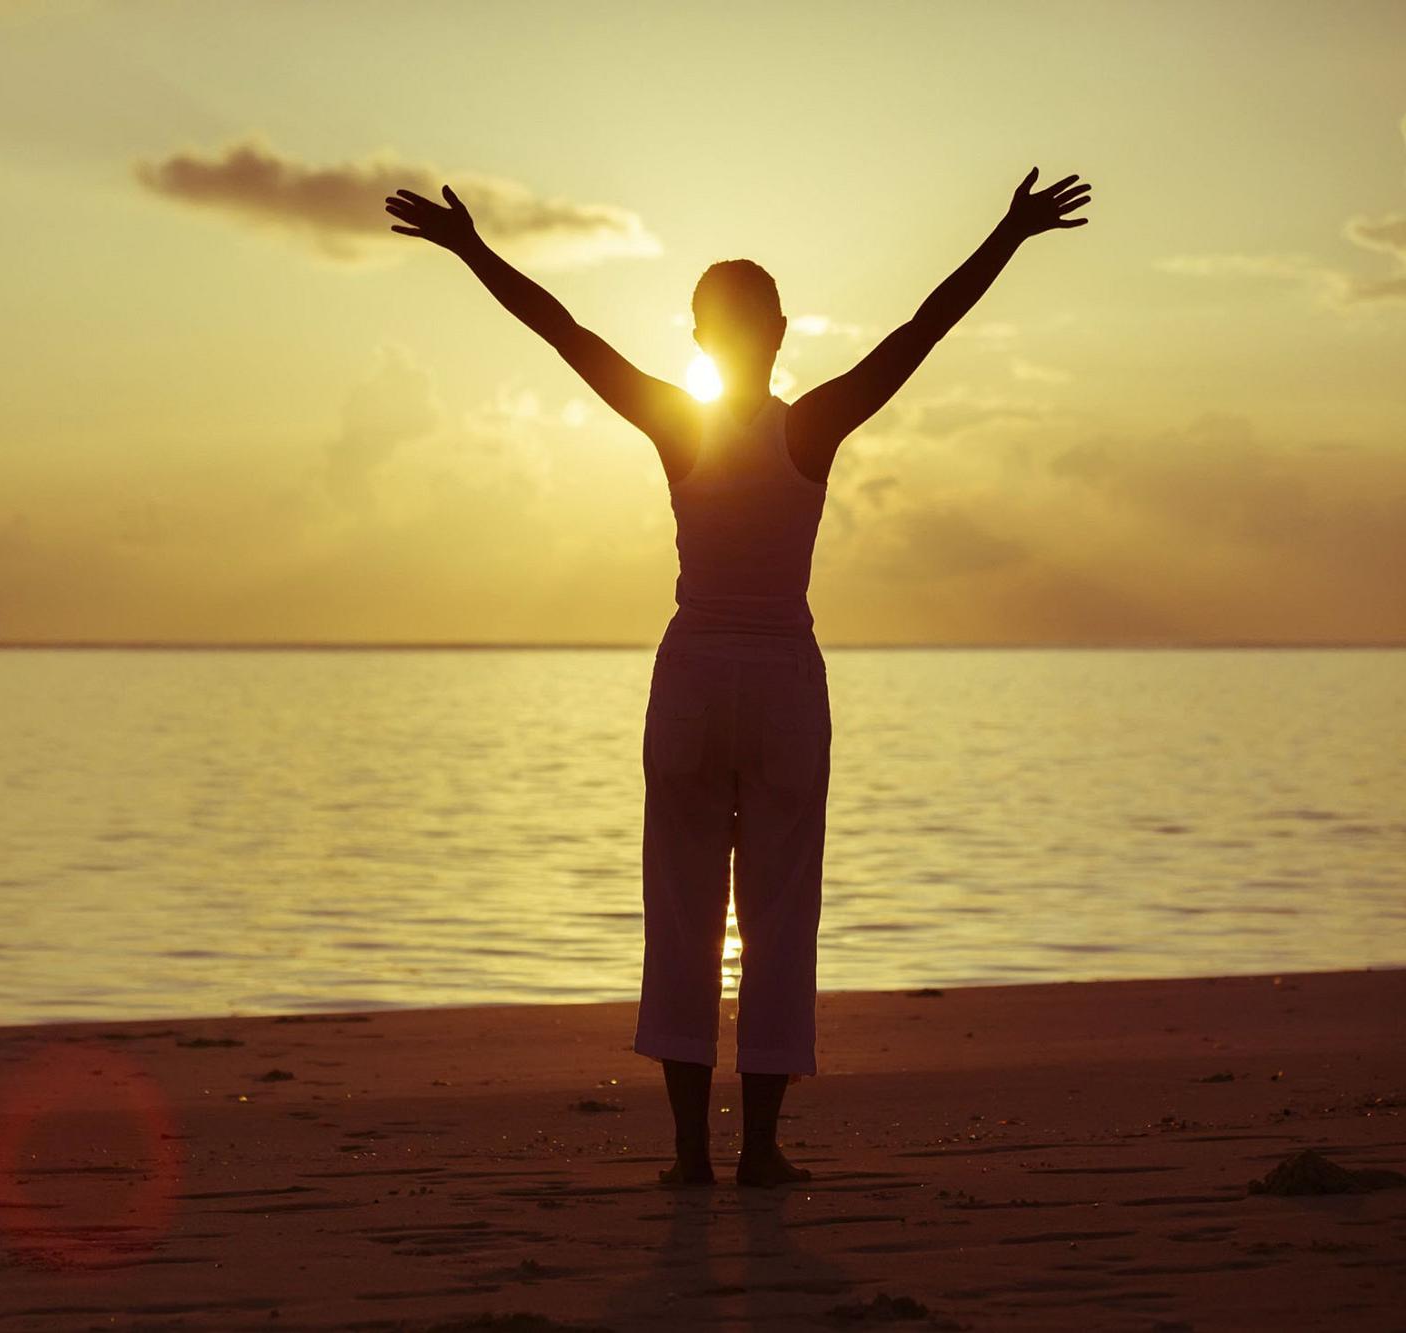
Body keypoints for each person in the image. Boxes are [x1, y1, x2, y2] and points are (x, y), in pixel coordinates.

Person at [385, 168, 1093, 1187]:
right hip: (780, 685)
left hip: (691, 675)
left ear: (695, 335)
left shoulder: (678, 424)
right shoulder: (807, 427)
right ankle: (757, 1149)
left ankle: (687, 1155)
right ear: (777, 331)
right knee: (776, 915)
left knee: (679, 912)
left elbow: (565, 332)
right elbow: (919, 329)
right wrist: (1008, 232)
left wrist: (470, 248)